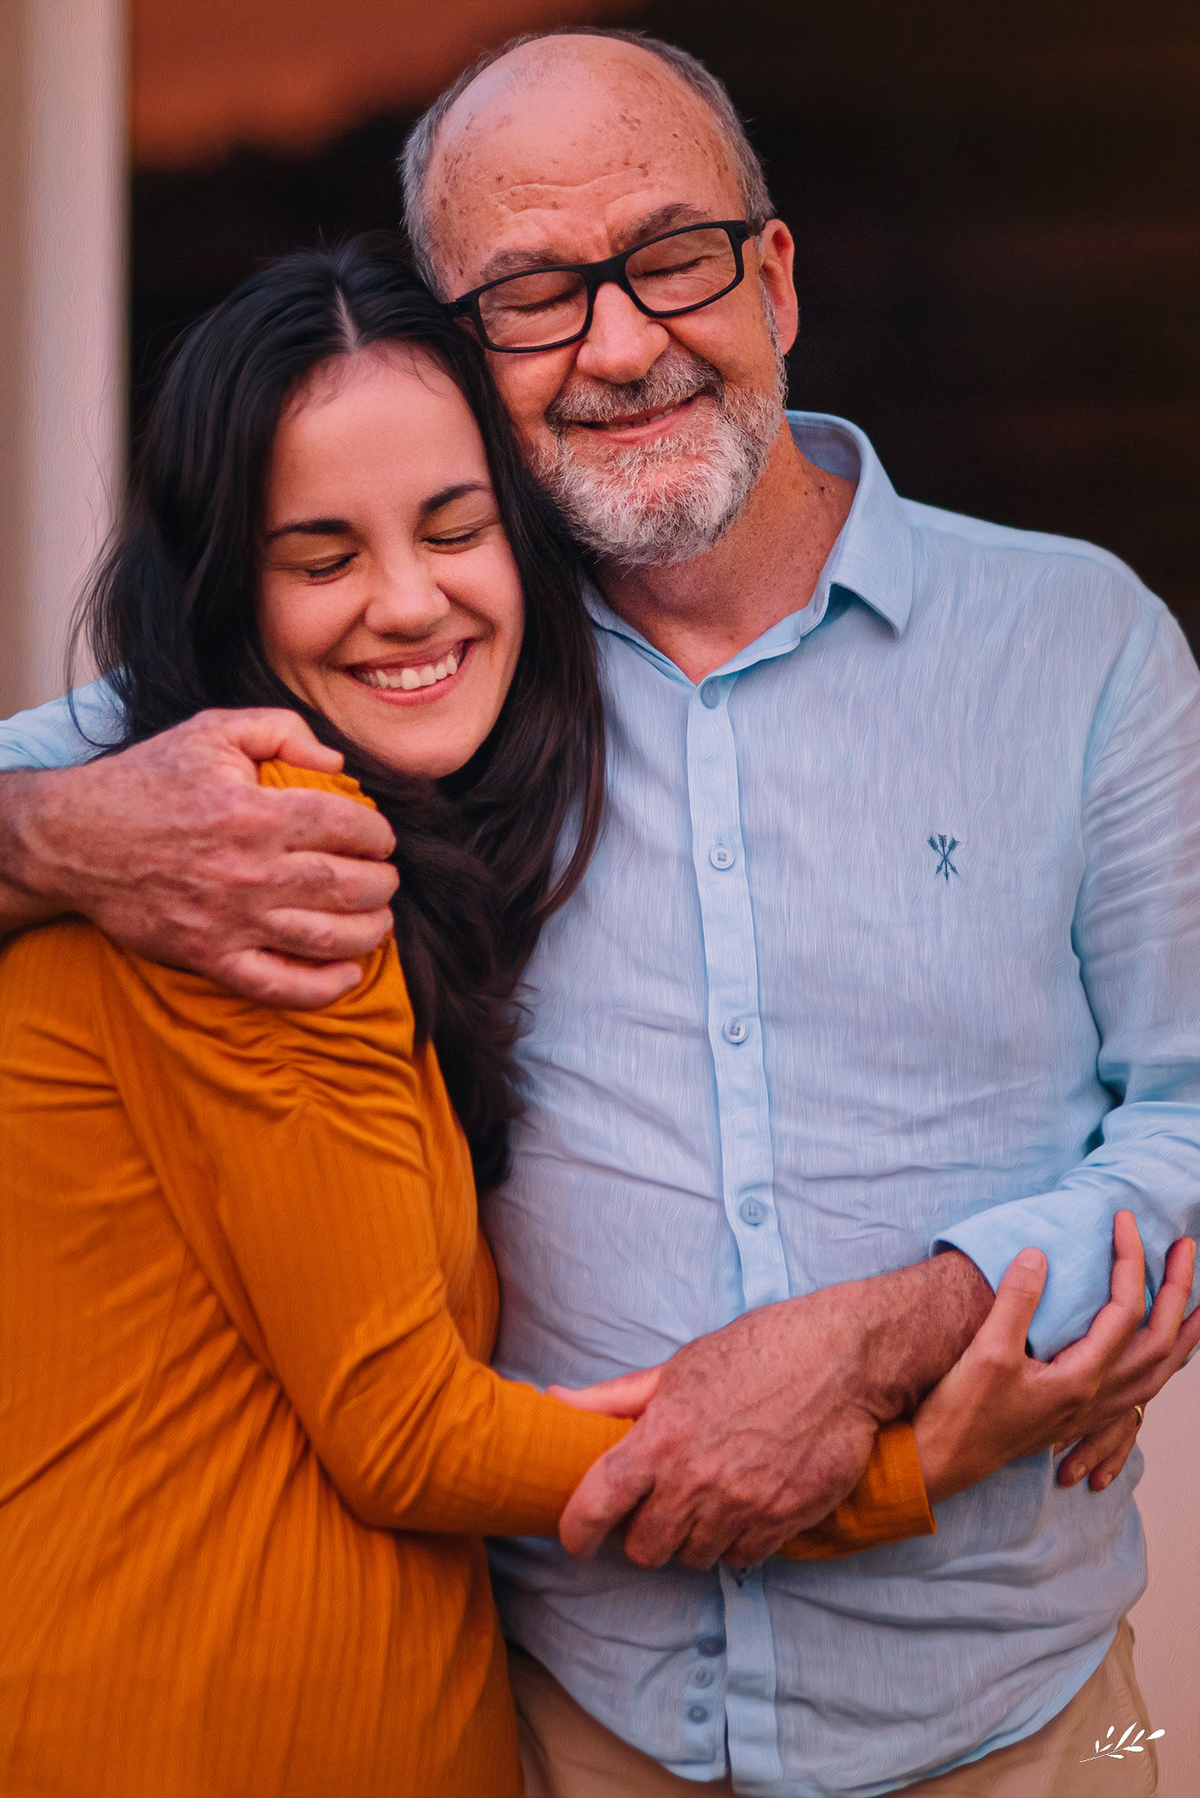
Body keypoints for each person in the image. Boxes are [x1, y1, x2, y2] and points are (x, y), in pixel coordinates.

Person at [0, 26, 1197, 1797]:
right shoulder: (425, 656)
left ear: (774, 277)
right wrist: (61, 835)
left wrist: (911, 1319)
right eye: (539, 294)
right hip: (574, 1729)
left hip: (1028, 1730)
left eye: (670, 259)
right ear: (461, 353)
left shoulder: (1081, 643)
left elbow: (1183, 1108)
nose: (623, 341)